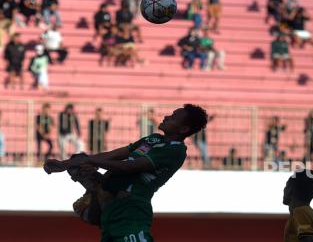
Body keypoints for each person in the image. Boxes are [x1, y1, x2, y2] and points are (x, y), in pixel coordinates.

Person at [44, 104, 208, 242]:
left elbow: (130, 167)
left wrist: (89, 162)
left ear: (183, 129)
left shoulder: (175, 150)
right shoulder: (153, 139)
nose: (166, 117)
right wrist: (67, 163)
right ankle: (96, 188)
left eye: (173, 117)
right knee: (79, 158)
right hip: (114, 209)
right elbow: (116, 154)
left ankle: (96, 187)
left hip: (132, 209)